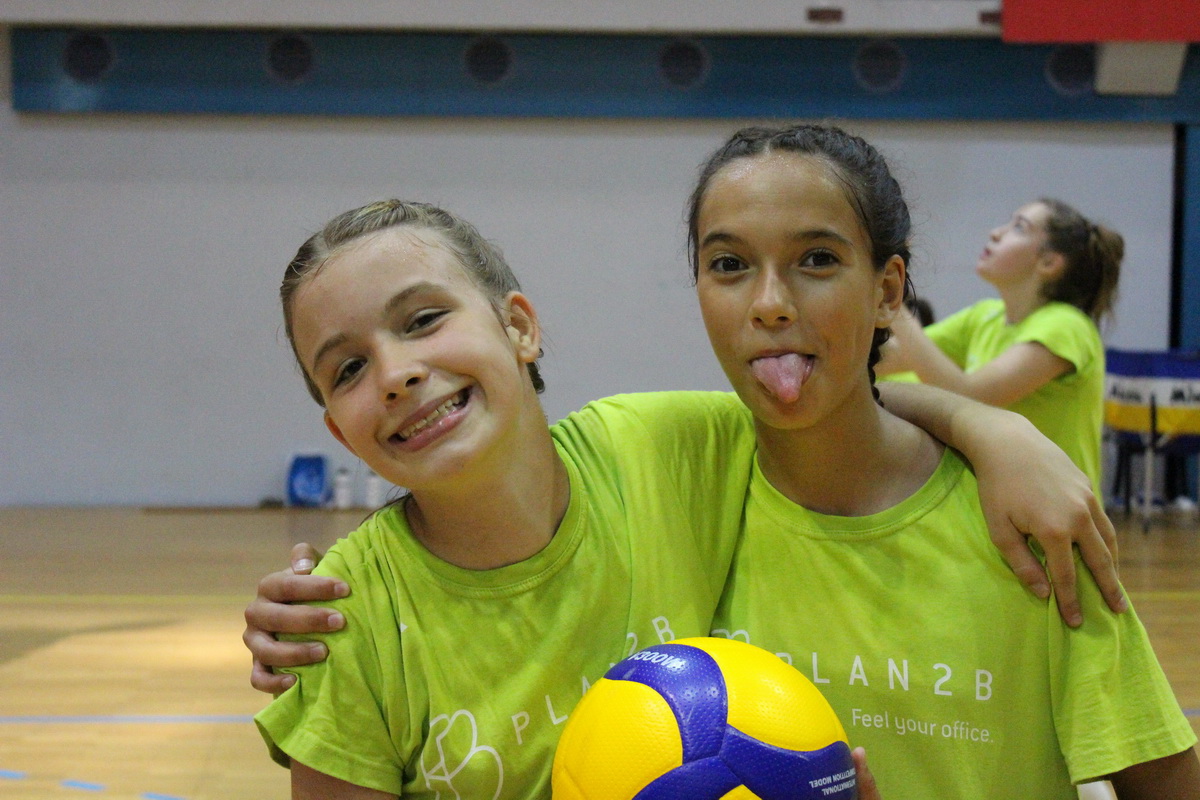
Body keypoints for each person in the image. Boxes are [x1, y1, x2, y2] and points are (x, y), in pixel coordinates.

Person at [249, 194, 1126, 797]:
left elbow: (830, 411)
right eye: (348, 369)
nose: (395, 374)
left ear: (519, 326)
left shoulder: (663, 448)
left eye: (422, 320)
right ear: (338, 429)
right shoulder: (343, 618)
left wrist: (995, 432)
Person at [684, 124, 1197, 797]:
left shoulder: (1034, 539)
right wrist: (971, 419)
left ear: (888, 291)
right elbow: (901, 371)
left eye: (817, 259)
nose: (771, 304)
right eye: (729, 264)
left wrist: (990, 430)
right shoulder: (673, 476)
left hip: (1036, 505)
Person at [879, 198, 1123, 499]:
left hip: (1055, 514)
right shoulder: (985, 316)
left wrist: (891, 290)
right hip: (998, 510)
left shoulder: (1067, 326)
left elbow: (971, 398)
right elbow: (894, 357)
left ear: (1048, 263)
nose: (995, 233)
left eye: (1019, 227)